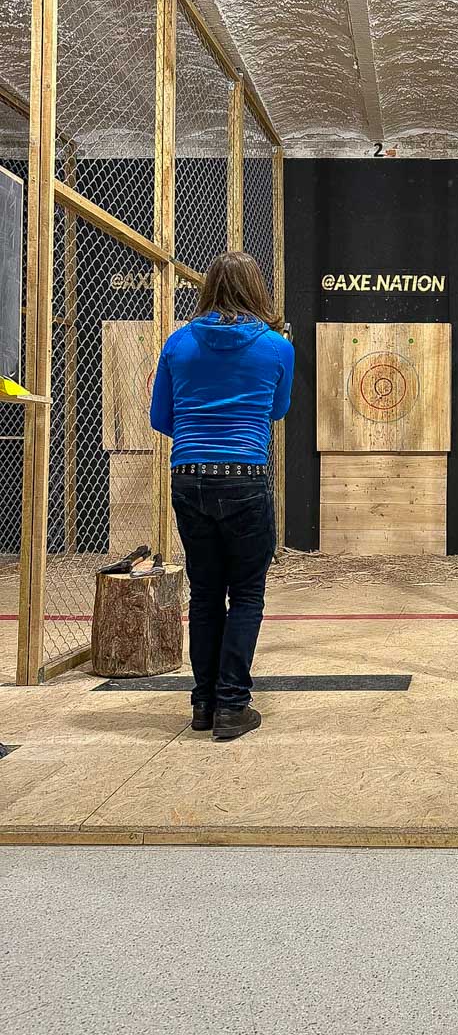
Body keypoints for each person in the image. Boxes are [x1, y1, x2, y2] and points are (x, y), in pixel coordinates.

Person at [150, 252, 294, 741]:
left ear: (208, 287)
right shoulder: (276, 346)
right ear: (257, 289)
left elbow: (161, 419)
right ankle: (233, 705)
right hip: (244, 475)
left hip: (188, 474)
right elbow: (278, 410)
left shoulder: (177, 342)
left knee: (206, 593)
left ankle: (204, 703)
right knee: (247, 592)